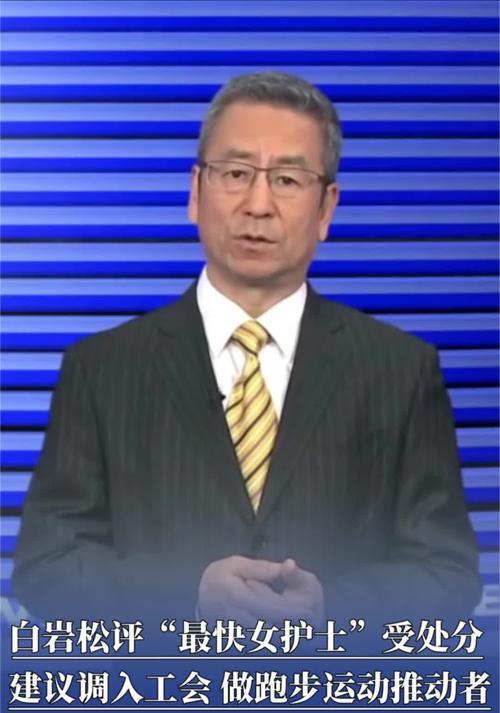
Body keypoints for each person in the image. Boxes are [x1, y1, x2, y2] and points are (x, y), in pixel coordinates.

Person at [12, 72, 481, 626]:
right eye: (235, 173)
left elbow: (447, 573)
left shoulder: (400, 371)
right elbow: (47, 567)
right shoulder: (102, 370)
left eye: (287, 179)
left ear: (326, 209)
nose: (258, 204)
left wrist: (330, 607)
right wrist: (189, 594)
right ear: (195, 192)